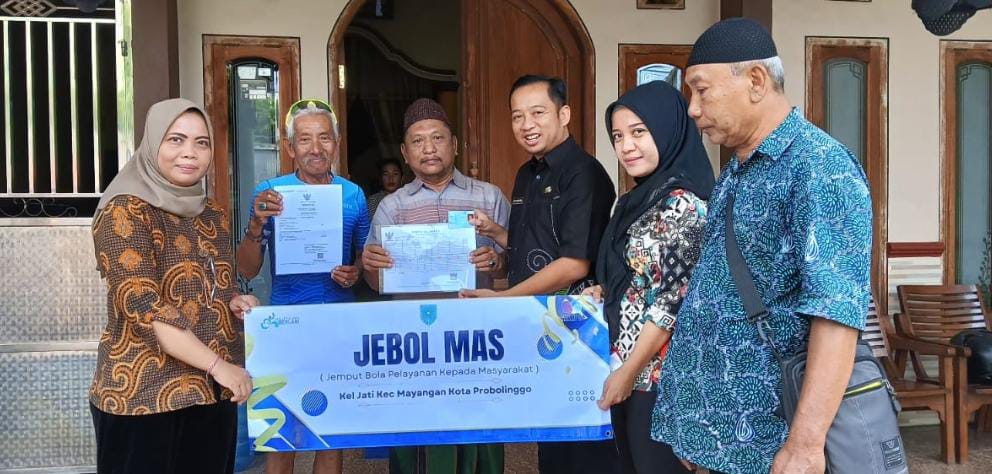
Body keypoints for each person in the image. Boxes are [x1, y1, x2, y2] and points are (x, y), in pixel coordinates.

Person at [651, 18, 873, 474]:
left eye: (702, 90)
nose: (692, 109)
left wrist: (805, 445)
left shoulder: (820, 167)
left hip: (770, 445)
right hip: (719, 438)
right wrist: (694, 420)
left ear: (755, 80)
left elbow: (836, 314)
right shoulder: (737, 170)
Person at [89, 98, 257, 474]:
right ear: (153, 143)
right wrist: (220, 366)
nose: (190, 153)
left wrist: (234, 301)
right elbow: (144, 308)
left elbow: (216, 283)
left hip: (210, 393)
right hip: (144, 396)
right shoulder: (124, 210)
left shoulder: (211, 212)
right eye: (176, 139)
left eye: (201, 142)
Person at [462, 75, 620, 474]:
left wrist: (503, 299)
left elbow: (574, 263)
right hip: (538, 324)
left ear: (564, 114)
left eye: (537, 113)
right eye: (517, 116)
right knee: (551, 439)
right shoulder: (526, 174)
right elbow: (532, 244)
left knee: (583, 443)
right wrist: (496, 233)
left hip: (575, 328)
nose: (526, 125)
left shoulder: (583, 174)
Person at [362, 98, 508, 474]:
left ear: (454, 145)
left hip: (475, 336)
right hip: (415, 340)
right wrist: (370, 266)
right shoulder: (392, 207)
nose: (429, 148)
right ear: (405, 153)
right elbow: (376, 283)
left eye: (438, 138)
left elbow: (512, 263)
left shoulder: (489, 196)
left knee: (480, 425)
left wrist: (496, 261)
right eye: (418, 141)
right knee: (416, 428)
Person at [582, 80, 713, 474]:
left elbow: (670, 304)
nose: (626, 146)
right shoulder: (634, 201)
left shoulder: (682, 205)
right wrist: (602, 290)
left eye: (639, 132)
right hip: (624, 369)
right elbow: (634, 279)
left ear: (667, 130)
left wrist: (628, 372)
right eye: (618, 136)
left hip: (660, 378)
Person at [235, 98, 370, 474]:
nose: (316, 148)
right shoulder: (270, 193)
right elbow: (246, 268)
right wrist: (256, 225)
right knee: (282, 431)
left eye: (324, 138)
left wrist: (356, 271)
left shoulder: (353, 194)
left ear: (336, 143)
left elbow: (365, 256)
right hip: (284, 324)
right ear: (290, 147)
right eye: (305, 139)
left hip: (338, 322)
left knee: (331, 432)